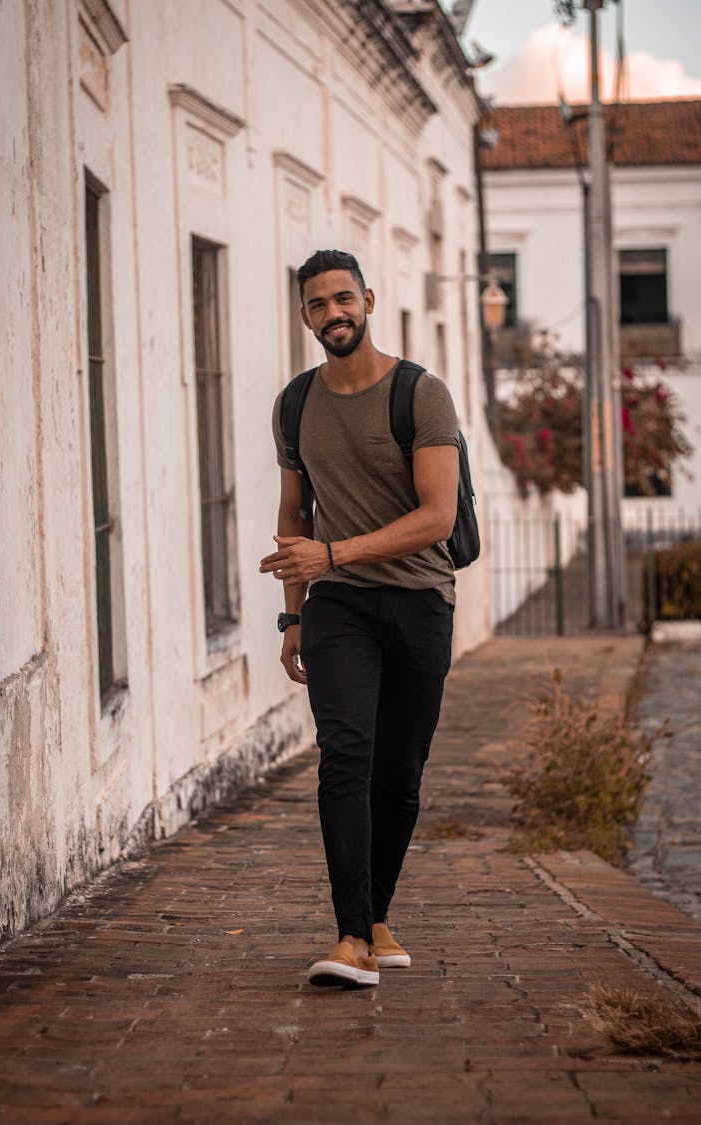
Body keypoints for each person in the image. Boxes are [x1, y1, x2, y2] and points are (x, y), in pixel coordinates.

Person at [260, 249, 459, 989]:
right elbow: (293, 513)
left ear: (368, 300)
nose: (332, 313)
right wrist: (291, 620)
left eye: (343, 298)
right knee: (346, 754)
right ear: (305, 315)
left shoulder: (420, 394)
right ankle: (350, 937)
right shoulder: (294, 403)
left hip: (419, 602)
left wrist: (332, 552)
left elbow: (437, 516)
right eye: (317, 304)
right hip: (336, 602)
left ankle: (376, 919)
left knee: (400, 772)